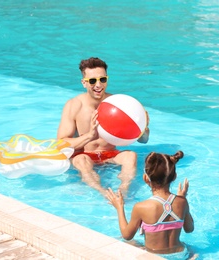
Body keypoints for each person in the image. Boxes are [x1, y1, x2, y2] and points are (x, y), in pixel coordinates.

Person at [57, 57, 150, 196]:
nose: (98, 85)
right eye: (93, 81)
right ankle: (103, 193)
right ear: (84, 83)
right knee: (80, 160)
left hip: (109, 155)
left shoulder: (119, 104)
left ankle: (123, 192)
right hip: (85, 155)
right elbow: (61, 144)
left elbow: (144, 140)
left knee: (131, 155)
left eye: (103, 79)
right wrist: (89, 136)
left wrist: (142, 128)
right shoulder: (74, 106)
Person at [106, 151, 194, 256]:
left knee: (125, 242)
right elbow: (189, 229)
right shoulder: (182, 202)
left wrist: (119, 207)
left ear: (145, 178)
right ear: (174, 176)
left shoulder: (141, 207)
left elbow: (127, 235)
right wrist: (182, 198)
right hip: (180, 255)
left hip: (154, 256)